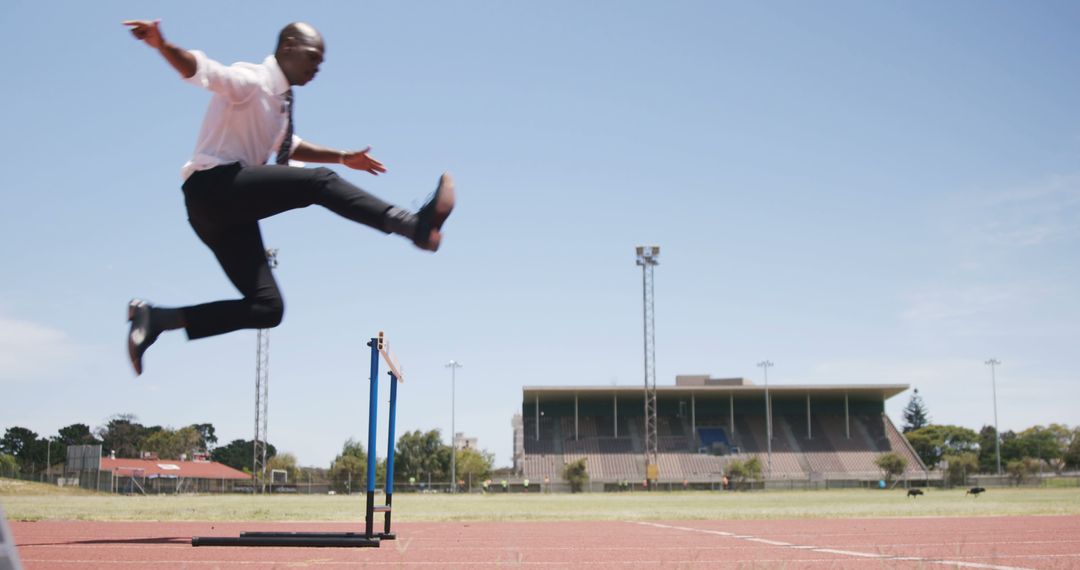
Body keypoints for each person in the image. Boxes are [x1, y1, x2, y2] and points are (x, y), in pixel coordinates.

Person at [122, 20, 455, 375]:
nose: (316, 68)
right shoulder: (252, 81)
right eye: (312, 58)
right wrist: (163, 45)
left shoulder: (280, 104)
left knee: (268, 307)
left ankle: (158, 318)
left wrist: (343, 157)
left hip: (222, 216)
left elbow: (288, 146)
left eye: (322, 63)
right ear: (289, 47)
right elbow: (203, 71)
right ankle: (413, 226)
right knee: (318, 183)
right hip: (212, 187)